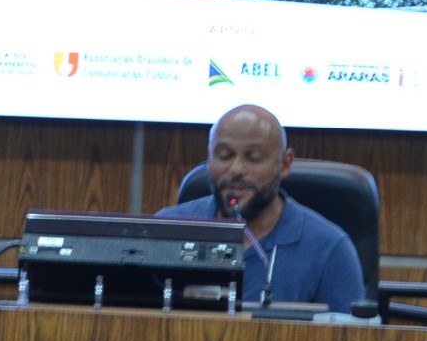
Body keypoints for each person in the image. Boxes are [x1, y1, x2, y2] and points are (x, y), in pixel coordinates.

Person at [155, 103, 363, 313]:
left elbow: (347, 334)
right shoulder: (168, 230)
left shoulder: (329, 249)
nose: (236, 169)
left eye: (254, 158)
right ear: (209, 158)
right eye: (224, 155)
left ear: (285, 163)